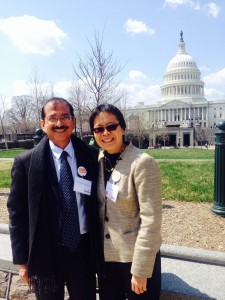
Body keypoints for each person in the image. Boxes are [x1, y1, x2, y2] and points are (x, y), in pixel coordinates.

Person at [7, 97, 101, 300]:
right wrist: (22, 262)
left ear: (73, 122)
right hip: (45, 253)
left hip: (82, 251)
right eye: (53, 118)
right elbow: (17, 215)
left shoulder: (92, 156)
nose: (59, 123)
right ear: (43, 124)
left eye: (65, 117)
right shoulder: (26, 163)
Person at [89, 103, 162, 300]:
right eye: (99, 129)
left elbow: (151, 220)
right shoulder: (98, 160)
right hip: (107, 260)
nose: (106, 133)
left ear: (122, 127)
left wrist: (140, 270)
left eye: (111, 126)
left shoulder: (143, 163)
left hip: (135, 260)